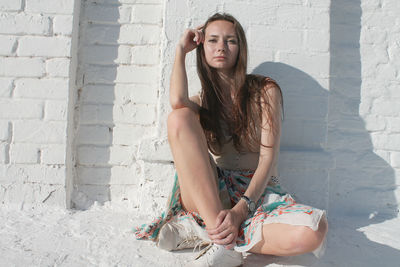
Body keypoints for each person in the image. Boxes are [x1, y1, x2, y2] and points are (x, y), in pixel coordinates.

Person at [135, 13, 328, 267]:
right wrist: (181, 50)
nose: (221, 47)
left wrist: (241, 210)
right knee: (178, 118)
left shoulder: (265, 91)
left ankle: (207, 234)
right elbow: (177, 103)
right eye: (212, 40)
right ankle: (223, 242)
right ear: (202, 47)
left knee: (314, 230)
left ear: (241, 48)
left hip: (257, 194)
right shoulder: (203, 100)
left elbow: (268, 159)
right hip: (213, 193)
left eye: (231, 41)